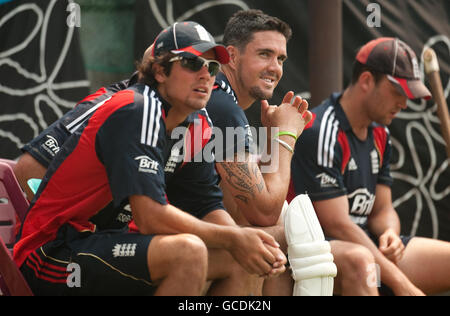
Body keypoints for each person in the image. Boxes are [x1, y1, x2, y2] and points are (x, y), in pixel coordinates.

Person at [14, 21, 285, 296]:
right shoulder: (136, 108)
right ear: (160, 70)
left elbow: (205, 203)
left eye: (212, 67)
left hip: (107, 243)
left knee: (242, 260)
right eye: (192, 63)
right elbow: (150, 217)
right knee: (188, 253)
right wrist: (235, 236)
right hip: (53, 252)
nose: (205, 74)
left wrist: (247, 245)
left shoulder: (200, 123)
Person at [289, 37, 450, 296]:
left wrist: (390, 233)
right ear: (366, 81)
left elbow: (382, 209)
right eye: (398, 91)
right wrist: (402, 284)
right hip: (321, 250)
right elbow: (338, 225)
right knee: (362, 263)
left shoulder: (380, 134)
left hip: (369, 248)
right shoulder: (321, 130)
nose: (404, 104)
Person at [205, 10, 312, 295]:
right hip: (127, 234)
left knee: (276, 235)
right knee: (286, 236)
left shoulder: (221, 99)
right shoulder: (222, 106)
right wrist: (284, 136)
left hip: (174, 228)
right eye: (264, 54)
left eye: (280, 59)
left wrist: (269, 140)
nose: (275, 68)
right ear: (231, 56)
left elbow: (247, 208)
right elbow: (264, 212)